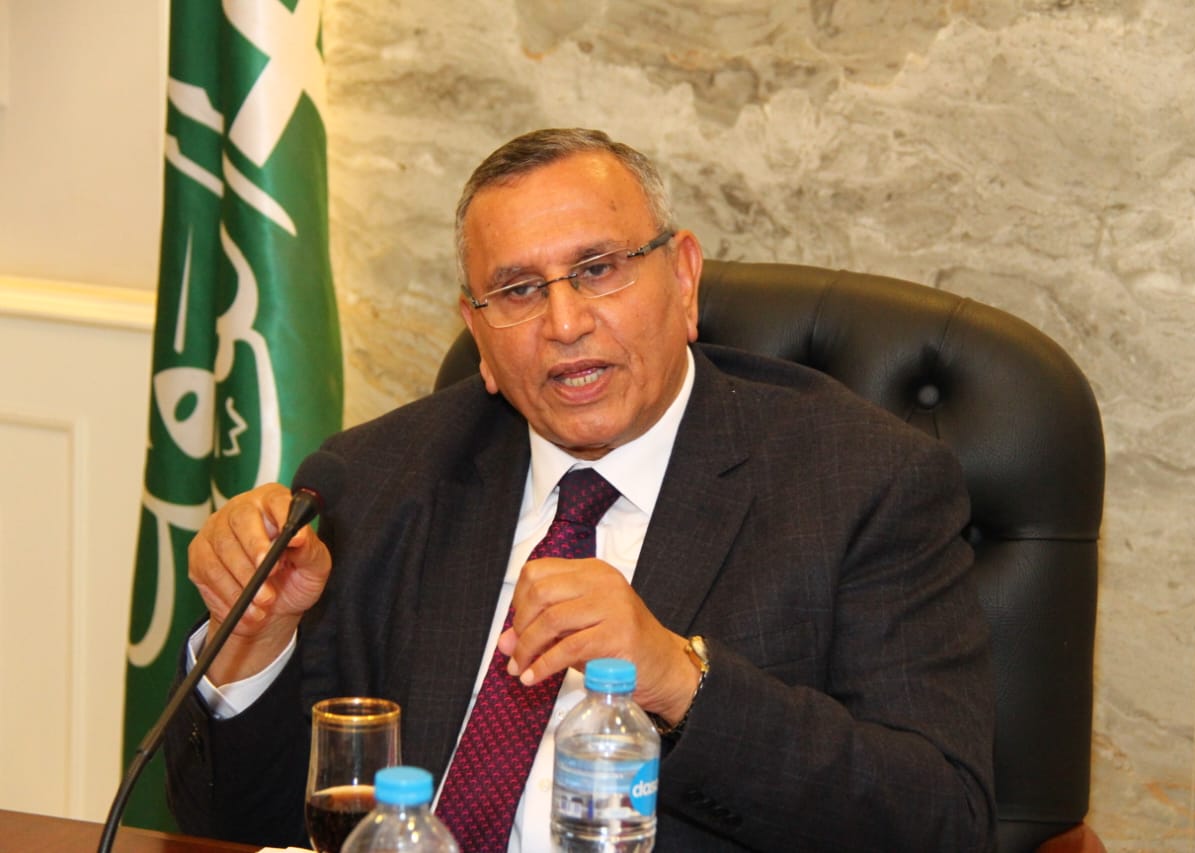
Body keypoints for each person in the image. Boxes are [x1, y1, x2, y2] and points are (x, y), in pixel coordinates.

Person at [165, 128, 995, 852]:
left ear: (684, 279)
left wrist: (680, 680)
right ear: (479, 334)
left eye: (597, 269)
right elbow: (240, 826)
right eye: (519, 290)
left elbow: (943, 822)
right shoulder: (373, 481)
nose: (564, 324)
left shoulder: (862, 483)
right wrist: (255, 640)